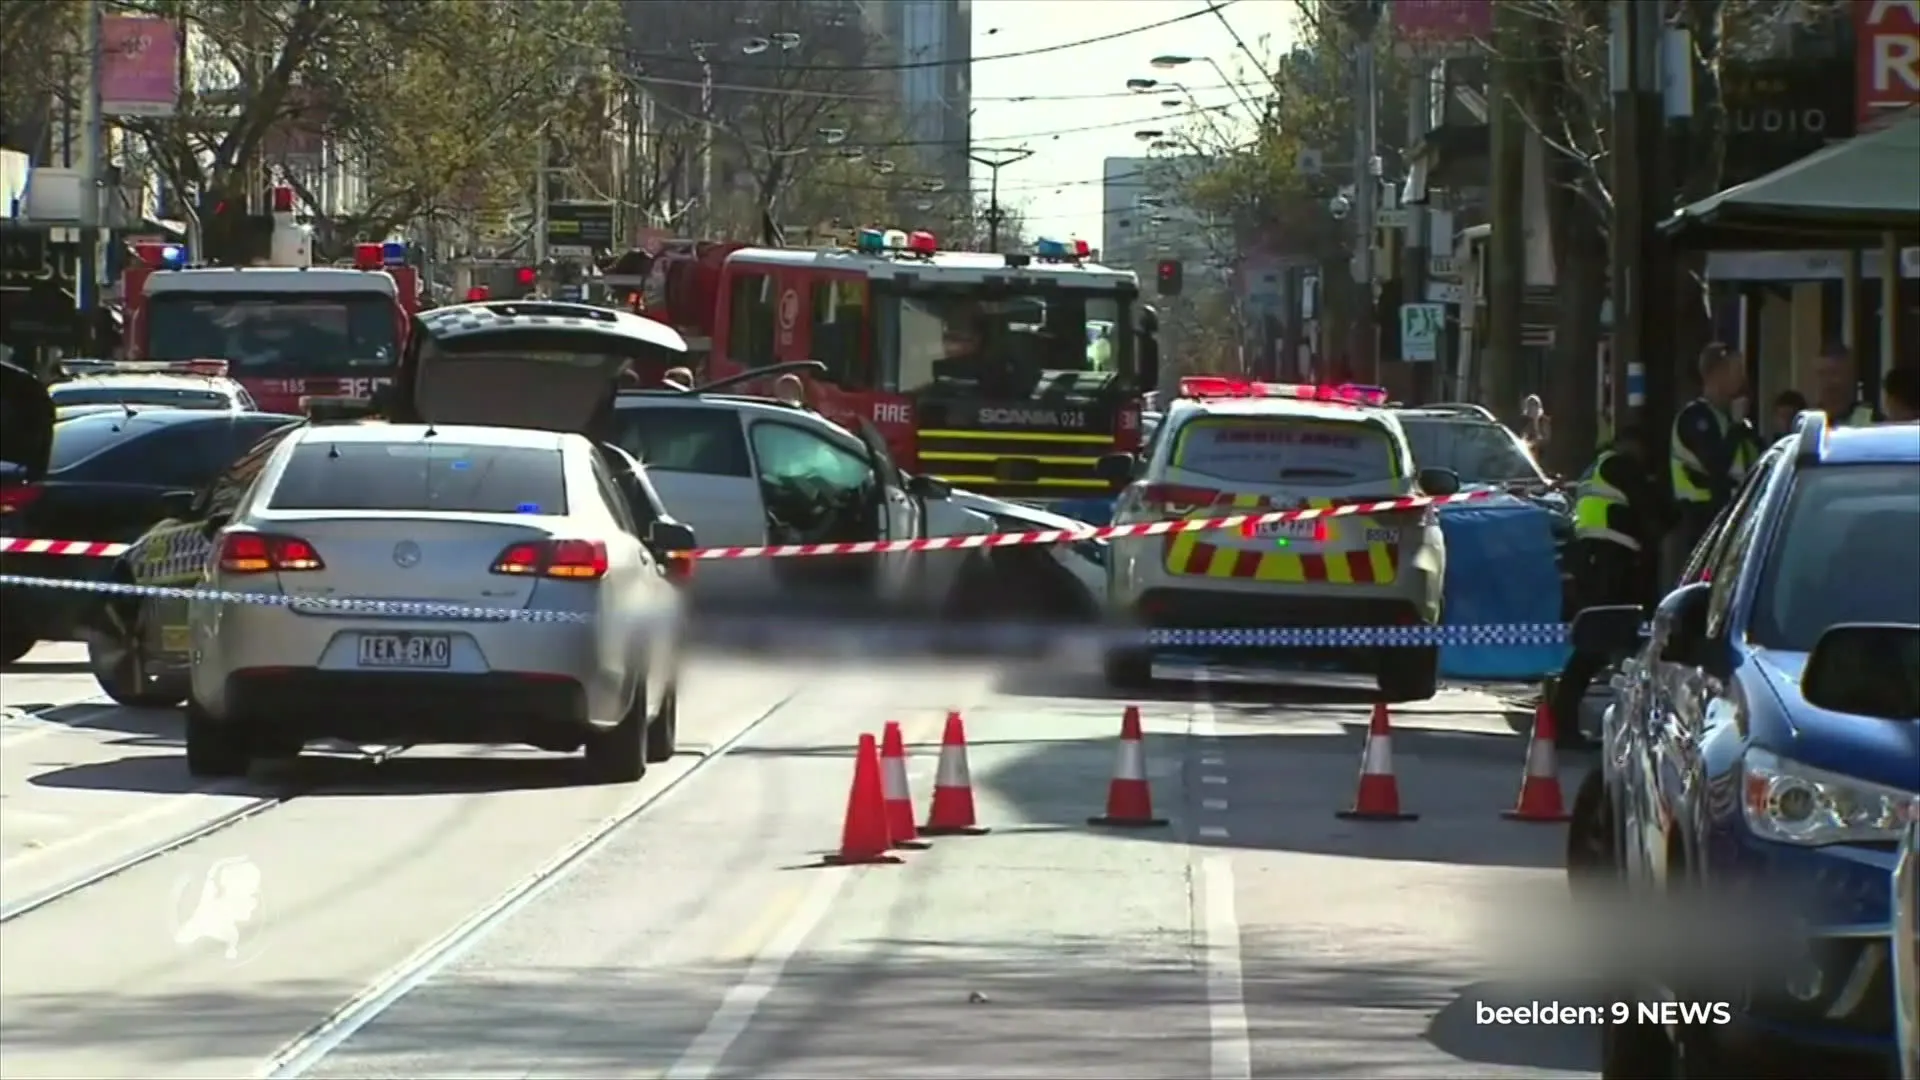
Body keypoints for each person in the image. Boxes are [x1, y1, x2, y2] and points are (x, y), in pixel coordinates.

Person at [1668, 342, 1762, 575]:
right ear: (1716, 374)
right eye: (1736, 370)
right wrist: (1737, 426)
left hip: (1734, 519)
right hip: (1703, 522)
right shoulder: (1695, 418)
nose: (1742, 378)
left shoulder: (1732, 421)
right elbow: (1717, 464)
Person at [1811, 343, 1879, 426]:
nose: (1828, 381)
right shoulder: (1810, 422)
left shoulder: (1871, 422)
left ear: (1851, 376)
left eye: (1834, 373)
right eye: (1822, 374)